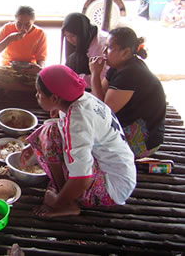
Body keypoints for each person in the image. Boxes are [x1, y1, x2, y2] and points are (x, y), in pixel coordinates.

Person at [20, 65, 136, 218]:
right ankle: (63, 192)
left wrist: (56, 202)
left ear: (55, 98)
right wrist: (34, 145)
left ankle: (66, 203)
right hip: (123, 172)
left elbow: (82, 180)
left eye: (39, 93)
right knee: (51, 128)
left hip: (112, 187)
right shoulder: (84, 98)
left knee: (50, 132)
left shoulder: (77, 122)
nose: (36, 96)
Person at [89, 27, 166, 159]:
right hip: (127, 124)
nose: (104, 52)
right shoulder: (117, 67)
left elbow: (102, 111)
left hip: (144, 141)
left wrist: (95, 75)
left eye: (109, 48)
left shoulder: (130, 73)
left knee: (85, 142)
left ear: (126, 52)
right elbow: (98, 96)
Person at [0, 6, 47, 92]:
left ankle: (10, 88)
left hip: (28, 71)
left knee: (46, 79)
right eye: (19, 24)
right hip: (8, 69)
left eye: (27, 25)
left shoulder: (40, 33)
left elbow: (41, 59)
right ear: (15, 20)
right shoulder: (7, 28)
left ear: (33, 22)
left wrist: (39, 69)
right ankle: (29, 90)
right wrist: (9, 39)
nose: (22, 28)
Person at [61, 13, 107, 88]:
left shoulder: (98, 47)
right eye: (66, 36)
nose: (69, 39)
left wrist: (75, 78)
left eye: (73, 36)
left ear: (82, 32)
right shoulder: (86, 36)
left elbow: (102, 78)